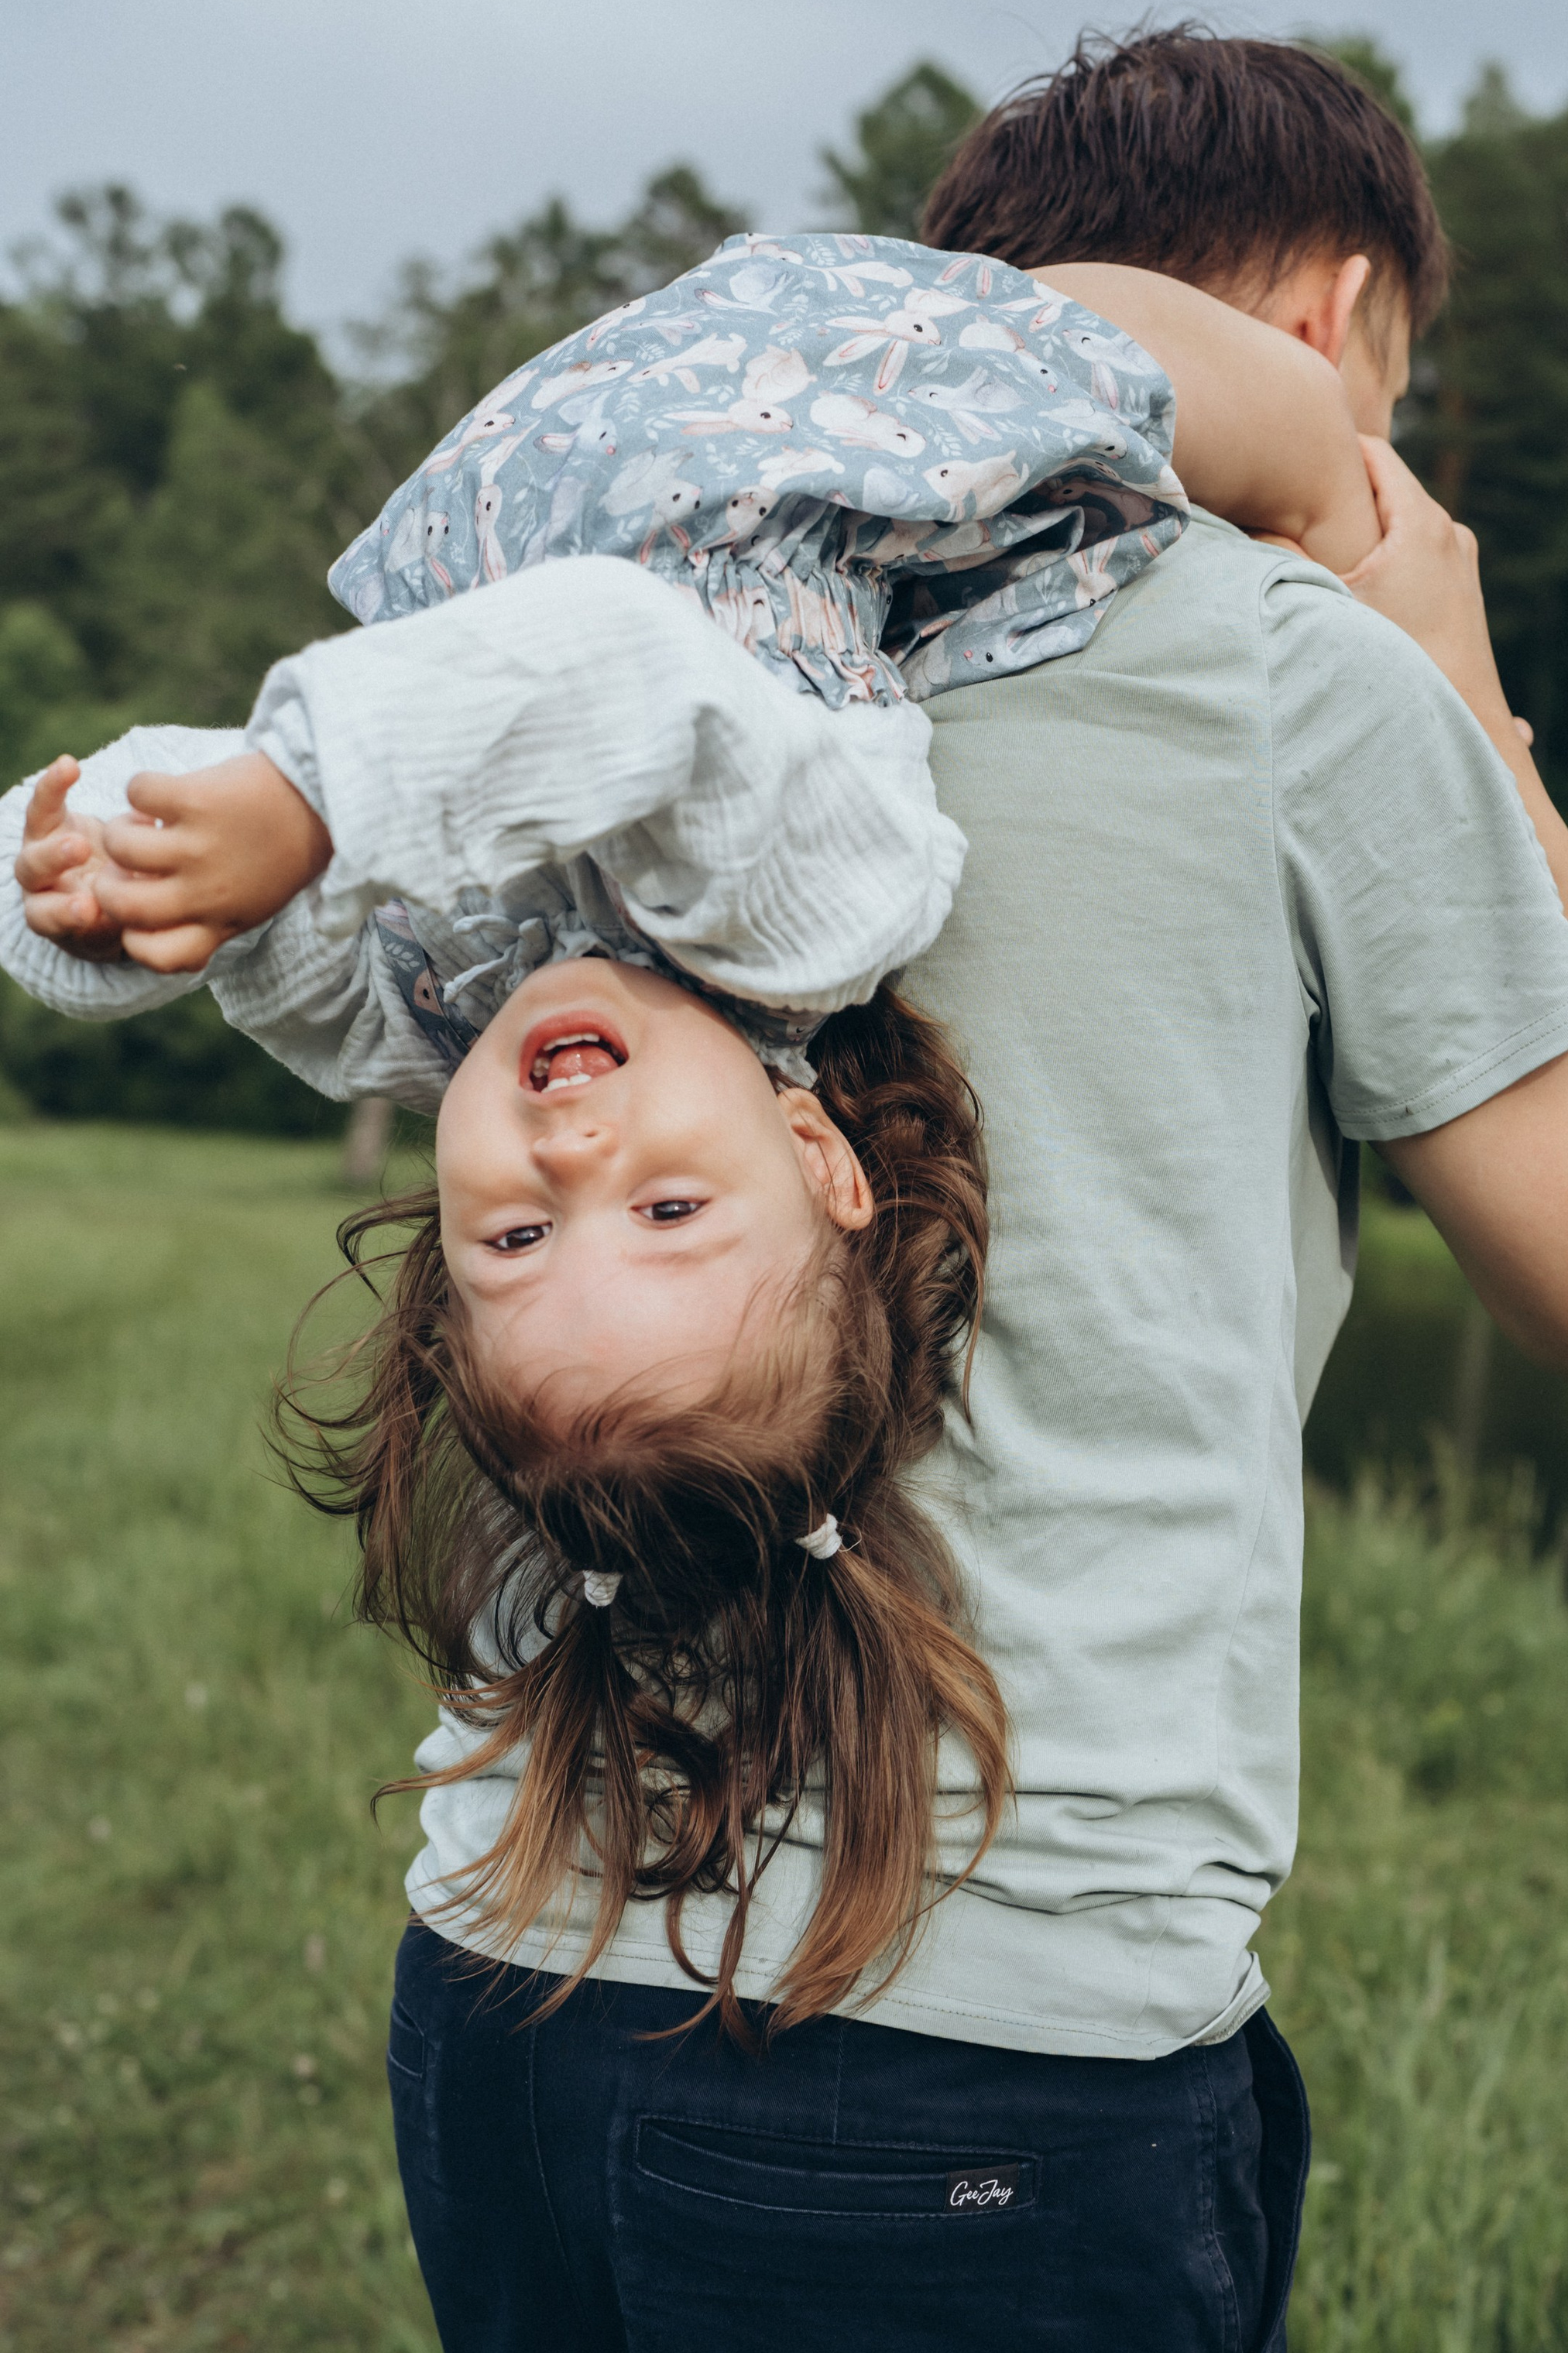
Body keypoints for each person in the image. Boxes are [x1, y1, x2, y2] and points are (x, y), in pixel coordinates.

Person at [4, 33, 1568, 2353]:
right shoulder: (1298, 672)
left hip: (506, 1990)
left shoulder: (649, 618)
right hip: (989, 2055)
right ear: (1326, 323)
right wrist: (1477, 706)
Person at [5, 235, 1390, 2033]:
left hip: (580, 432)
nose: (565, 1159)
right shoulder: (820, 902)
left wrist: (102, 893)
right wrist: (305, 796)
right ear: (820, 1162)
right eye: (667, 1207)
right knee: (1321, 440)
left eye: (513, 1242)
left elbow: (271, 943)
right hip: (909, 374)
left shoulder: (461, 1021)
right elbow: (616, 670)